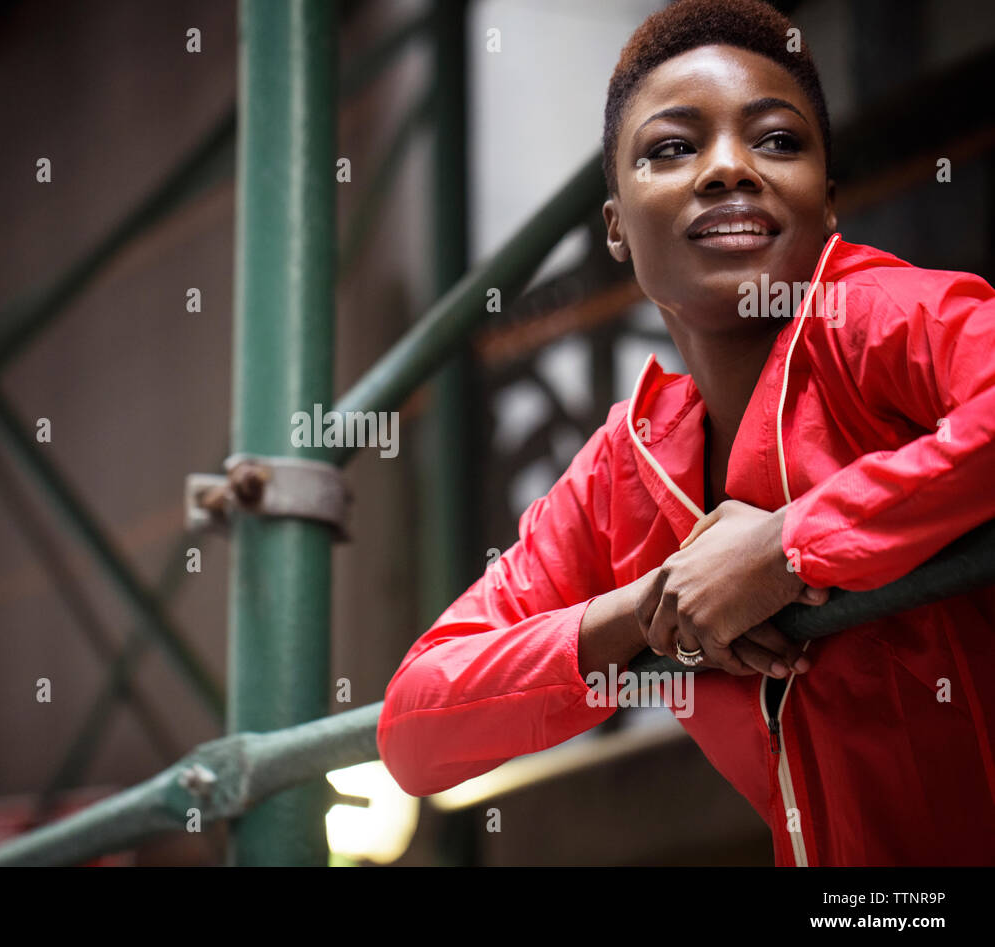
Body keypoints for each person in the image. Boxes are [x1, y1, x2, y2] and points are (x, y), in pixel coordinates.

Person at [376, 0, 995, 866]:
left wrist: (787, 549)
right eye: (673, 147)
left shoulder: (884, 320)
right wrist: (648, 608)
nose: (729, 169)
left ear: (828, 201)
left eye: (779, 140)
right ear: (616, 228)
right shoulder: (622, 473)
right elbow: (415, 728)